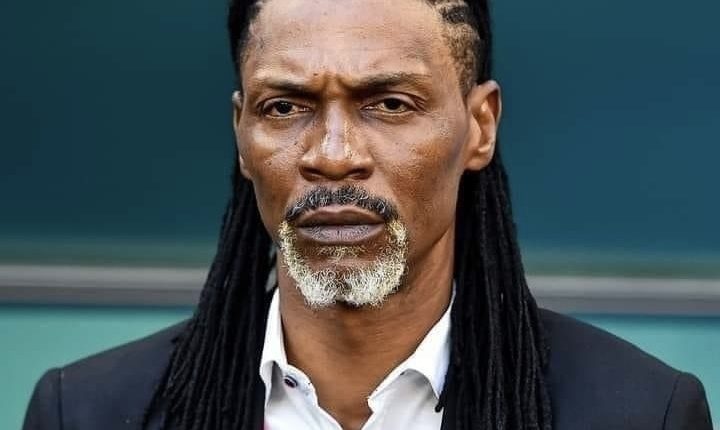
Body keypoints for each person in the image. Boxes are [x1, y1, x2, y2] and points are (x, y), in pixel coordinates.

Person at [23, 0, 713, 429]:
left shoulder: (636, 412)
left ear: (480, 126)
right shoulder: (85, 412)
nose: (333, 156)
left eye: (389, 104)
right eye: (284, 107)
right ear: (241, 135)